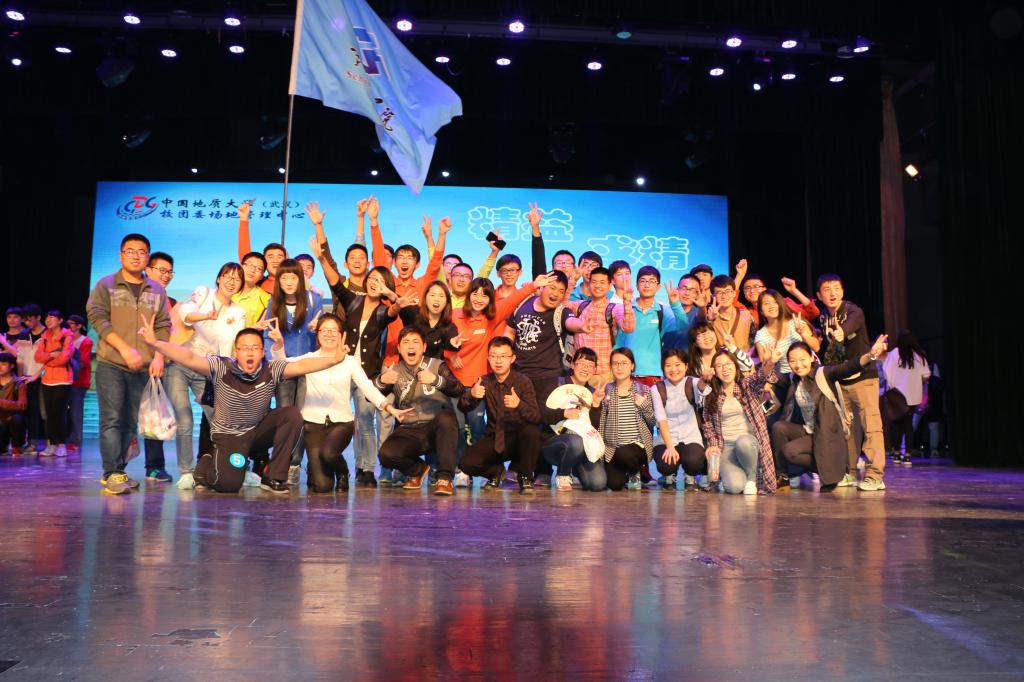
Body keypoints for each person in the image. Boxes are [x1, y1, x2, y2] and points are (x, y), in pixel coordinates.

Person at [139, 316, 350, 493]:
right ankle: (205, 466)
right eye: (244, 348)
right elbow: (190, 357)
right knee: (228, 486)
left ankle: (273, 477)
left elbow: (303, 365)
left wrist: (334, 359)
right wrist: (156, 344)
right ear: (236, 351)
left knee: (292, 414)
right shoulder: (221, 366)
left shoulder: (271, 369)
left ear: (262, 352)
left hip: (256, 433)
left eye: (255, 348)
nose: (250, 353)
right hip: (229, 437)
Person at [272, 313, 407, 492]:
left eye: (333, 330)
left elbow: (367, 387)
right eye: (324, 330)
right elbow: (281, 365)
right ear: (318, 335)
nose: (329, 334)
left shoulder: (350, 362)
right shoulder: (309, 358)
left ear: (341, 335)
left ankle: (343, 472)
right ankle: (314, 467)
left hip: (341, 423)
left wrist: (390, 408)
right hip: (312, 423)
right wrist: (279, 345)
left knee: (328, 453)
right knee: (322, 487)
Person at [313, 234, 402, 488]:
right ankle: (330, 464)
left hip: (368, 374)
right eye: (372, 279)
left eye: (380, 281)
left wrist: (389, 293)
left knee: (365, 421)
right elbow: (335, 282)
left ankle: (366, 469)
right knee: (340, 419)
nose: (374, 283)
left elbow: (397, 308)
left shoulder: (383, 310)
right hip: (342, 368)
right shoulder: (353, 301)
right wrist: (322, 258)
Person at [86, 233, 172, 495]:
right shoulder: (106, 284)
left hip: (143, 367)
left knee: (130, 423)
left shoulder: (156, 289)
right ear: (121, 255)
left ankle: (119, 471)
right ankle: (111, 473)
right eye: (130, 251)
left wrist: (159, 356)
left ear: (148, 257)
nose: (136, 256)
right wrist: (124, 349)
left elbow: (163, 325)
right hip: (112, 363)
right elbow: (97, 317)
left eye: (141, 252)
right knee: (112, 419)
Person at [449, 273, 551, 464]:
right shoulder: (454, 314)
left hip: (477, 382)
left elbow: (511, 301)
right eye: (475, 294)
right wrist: (450, 353)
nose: (479, 299)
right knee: (458, 427)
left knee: (477, 427)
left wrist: (533, 286)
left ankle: (479, 464)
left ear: (490, 300)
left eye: (485, 295)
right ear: (468, 295)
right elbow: (439, 339)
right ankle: (460, 466)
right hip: (454, 381)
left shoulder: (490, 319)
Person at [771, 335, 890, 491]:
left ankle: (833, 467)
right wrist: (770, 362)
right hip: (810, 431)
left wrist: (870, 355)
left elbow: (848, 368)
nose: (798, 365)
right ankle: (783, 476)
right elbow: (772, 380)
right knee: (778, 427)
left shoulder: (823, 374)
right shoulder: (794, 379)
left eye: (802, 359)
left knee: (789, 451)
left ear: (811, 358)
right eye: (792, 361)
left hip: (828, 435)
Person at [167, 263, 246, 478]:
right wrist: (206, 316)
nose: (231, 282)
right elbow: (185, 312)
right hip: (180, 363)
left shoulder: (238, 312)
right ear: (219, 278)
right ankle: (186, 472)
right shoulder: (204, 293)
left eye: (237, 279)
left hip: (207, 370)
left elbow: (232, 347)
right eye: (227, 276)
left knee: (219, 420)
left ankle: (234, 468)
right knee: (184, 419)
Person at [373, 326, 463, 496]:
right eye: (406, 342)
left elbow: (458, 389)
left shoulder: (437, 365)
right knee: (386, 455)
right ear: (399, 348)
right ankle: (418, 470)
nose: (411, 346)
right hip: (409, 429)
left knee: (447, 418)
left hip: (436, 428)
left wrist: (436, 380)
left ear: (424, 347)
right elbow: (369, 397)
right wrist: (382, 381)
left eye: (415, 342)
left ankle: (444, 478)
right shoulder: (394, 370)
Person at [816, 273, 886, 491]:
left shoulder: (853, 311)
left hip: (864, 378)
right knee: (847, 429)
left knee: (871, 426)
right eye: (827, 289)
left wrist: (841, 332)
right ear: (819, 295)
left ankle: (875, 475)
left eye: (836, 288)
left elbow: (851, 325)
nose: (832, 293)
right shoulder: (823, 317)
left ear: (843, 291)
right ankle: (851, 471)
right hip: (842, 380)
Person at [458, 337, 543, 493]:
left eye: (503, 356)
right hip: (495, 437)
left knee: (531, 432)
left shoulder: (523, 381)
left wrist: (519, 405)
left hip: (519, 440)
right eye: (494, 356)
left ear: (512, 358)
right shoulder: (484, 381)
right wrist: (471, 395)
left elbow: (536, 417)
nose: (498, 360)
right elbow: (462, 407)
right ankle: (495, 473)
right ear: (488, 358)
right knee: (465, 463)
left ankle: (525, 477)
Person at [701, 348, 780, 495]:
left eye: (728, 364)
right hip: (726, 447)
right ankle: (740, 475)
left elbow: (760, 376)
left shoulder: (746, 385)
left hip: (748, 444)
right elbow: (708, 424)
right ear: (715, 371)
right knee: (734, 487)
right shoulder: (711, 395)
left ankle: (751, 479)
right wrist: (712, 445)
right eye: (719, 365)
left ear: (735, 366)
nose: (725, 368)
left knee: (743, 442)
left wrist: (770, 362)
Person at [538, 347, 607, 492]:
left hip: (583, 446)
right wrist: (563, 413)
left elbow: (593, 428)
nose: (585, 369)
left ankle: (573, 467)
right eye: (581, 363)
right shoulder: (556, 384)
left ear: (595, 370)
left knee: (598, 484)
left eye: (590, 365)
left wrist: (595, 405)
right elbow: (540, 414)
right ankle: (563, 474)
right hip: (554, 442)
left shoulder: (593, 392)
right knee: (575, 442)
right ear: (572, 365)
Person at [613, 266, 689, 384]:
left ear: (658, 287)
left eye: (652, 281)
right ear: (636, 285)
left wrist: (675, 303)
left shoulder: (662, 311)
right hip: (624, 372)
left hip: (652, 373)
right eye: (643, 281)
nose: (647, 285)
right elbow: (618, 342)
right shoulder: (624, 308)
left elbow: (683, 325)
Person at [594, 348, 657, 491]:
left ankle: (636, 471)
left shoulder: (643, 389)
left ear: (632, 366)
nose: (619, 367)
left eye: (624, 363)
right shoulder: (607, 390)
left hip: (637, 446)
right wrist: (600, 446)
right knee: (614, 485)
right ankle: (627, 473)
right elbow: (602, 422)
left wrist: (644, 405)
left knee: (625, 454)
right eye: (615, 363)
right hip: (612, 448)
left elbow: (653, 421)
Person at [652, 348, 711, 490]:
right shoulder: (657, 388)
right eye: (668, 365)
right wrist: (670, 447)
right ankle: (668, 475)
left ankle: (690, 475)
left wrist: (704, 379)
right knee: (666, 463)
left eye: (678, 365)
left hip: (691, 437)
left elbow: (700, 387)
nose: (673, 369)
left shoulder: (692, 382)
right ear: (663, 368)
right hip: (666, 439)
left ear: (686, 366)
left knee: (694, 461)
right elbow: (661, 418)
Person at [142, 251, 177, 482]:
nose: (166, 275)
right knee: (124, 418)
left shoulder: (170, 301)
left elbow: (168, 333)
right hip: (133, 362)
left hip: (157, 364)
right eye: (162, 270)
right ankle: (116, 469)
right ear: (148, 270)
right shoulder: (139, 296)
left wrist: (160, 357)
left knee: (154, 415)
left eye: (170, 272)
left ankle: (154, 466)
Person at [566, 266, 635, 384]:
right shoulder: (580, 305)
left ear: (609, 285)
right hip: (578, 371)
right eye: (594, 282)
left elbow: (628, 328)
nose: (597, 285)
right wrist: (572, 282)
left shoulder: (614, 308)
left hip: (602, 373)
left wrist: (627, 302)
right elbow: (560, 306)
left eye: (602, 282)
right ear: (589, 284)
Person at [881, 330, 931, 463]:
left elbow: (886, 371)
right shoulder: (918, 356)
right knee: (908, 424)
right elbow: (926, 375)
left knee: (896, 424)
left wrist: (893, 383)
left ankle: (896, 453)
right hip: (912, 395)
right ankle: (908, 454)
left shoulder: (893, 354)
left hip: (897, 394)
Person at [34, 310, 74, 457]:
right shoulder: (45, 337)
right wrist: (51, 355)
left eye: (52, 317)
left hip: (63, 379)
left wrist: (47, 361)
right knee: (49, 414)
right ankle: (51, 444)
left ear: (60, 320)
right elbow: (37, 357)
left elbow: (64, 358)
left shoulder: (67, 336)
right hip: (46, 380)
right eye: (47, 318)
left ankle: (62, 445)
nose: (48, 320)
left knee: (59, 413)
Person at [754, 289, 820, 374]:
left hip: (810, 371)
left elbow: (816, 348)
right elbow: (764, 373)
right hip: (786, 378)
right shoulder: (761, 335)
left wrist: (804, 335)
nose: (771, 306)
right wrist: (770, 361)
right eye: (766, 303)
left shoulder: (796, 322)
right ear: (761, 311)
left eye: (775, 302)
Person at [237, 200, 287, 294]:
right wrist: (243, 220)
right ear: (263, 262)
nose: (275, 260)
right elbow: (245, 255)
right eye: (270, 256)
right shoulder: (257, 282)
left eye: (280, 256)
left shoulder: (295, 283)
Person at [65, 315, 92, 453]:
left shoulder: (85, 341)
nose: (68, 326)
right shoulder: (65, 339)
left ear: (79, 325)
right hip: (63, 380)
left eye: (71, 323)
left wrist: (67, 359)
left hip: (79, 381)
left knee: (76, 412)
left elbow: (84, 361)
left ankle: (75, 440)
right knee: (63, 412)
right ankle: (63, 439)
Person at [706, 275, 753, 353]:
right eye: (719, 292)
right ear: (713, 296)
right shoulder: (709, 318)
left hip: (743, 359)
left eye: (727, 291)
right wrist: (710, 321)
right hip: (721, 360)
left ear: (734, 293)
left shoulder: (746, 315)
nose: (724, 296)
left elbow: (754, 341)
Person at [234, 251, 271, 327]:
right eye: (249, 265)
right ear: (241, 266)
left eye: (258, 268)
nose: (252, 270)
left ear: (261, 276)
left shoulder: (266, 299)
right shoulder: (226, 289)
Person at [0, 352, 27, 455]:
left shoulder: (19, 384)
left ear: (11, 366)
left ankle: (17, 446)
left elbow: (22, 405)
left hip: (11, 418)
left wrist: (2, 403)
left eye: (3, 364)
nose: (0, 367)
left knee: (17, 418)